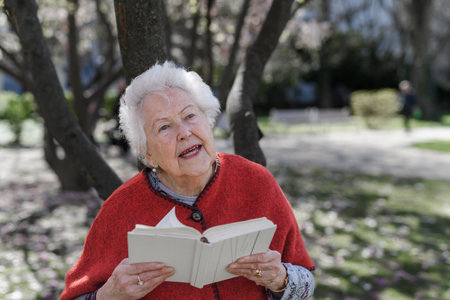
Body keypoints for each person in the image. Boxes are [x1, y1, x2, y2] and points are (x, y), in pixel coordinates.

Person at [61, 61, 315, 300]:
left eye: (190, 116)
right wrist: (110, 295)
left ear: (208, 120)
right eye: (164, 127)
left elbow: (306, 283)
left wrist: (280, 279)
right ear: (147, 153)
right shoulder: (120, 209)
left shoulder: (257, 181)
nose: (184, 133)